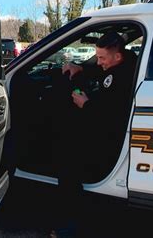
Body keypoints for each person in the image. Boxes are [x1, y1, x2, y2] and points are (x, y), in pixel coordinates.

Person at [54, 31, 136, 236]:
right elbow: (99, 73)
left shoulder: (122, 77)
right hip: (106, 132)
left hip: (109, 138)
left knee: (67, 166)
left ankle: (71, 228)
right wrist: (80, 67)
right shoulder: (120, 67)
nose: (98, 62)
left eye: (101, 58)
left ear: (117, 57)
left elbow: (110, 117)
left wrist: (86, 104)